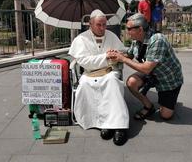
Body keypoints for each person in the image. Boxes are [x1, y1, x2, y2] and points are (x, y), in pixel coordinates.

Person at [68, 9, 129, 146]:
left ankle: (120, 126)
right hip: (89, 74)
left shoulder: (112, 35)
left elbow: (122, 52)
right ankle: (104, 123)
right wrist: (106, 56)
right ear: (90, 24)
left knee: (113, 82)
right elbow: (84, 62)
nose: (102, 28)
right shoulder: (81, 39)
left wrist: (116, 54)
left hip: (109, 72)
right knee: (84, 85)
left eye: (104, 25)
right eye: (98, 25)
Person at [111, 13, 183, 120]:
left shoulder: (157, 40)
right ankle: (149, 107)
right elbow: (130, 55)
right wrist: (117, 55)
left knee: (165, 115)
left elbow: (146, 68)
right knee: (131, 83)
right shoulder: (137, 39)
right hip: (152, 73)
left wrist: (122, 59)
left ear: (140, 29)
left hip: (168, 80)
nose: (127, 31)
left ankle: (170, 101)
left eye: (129, 29)